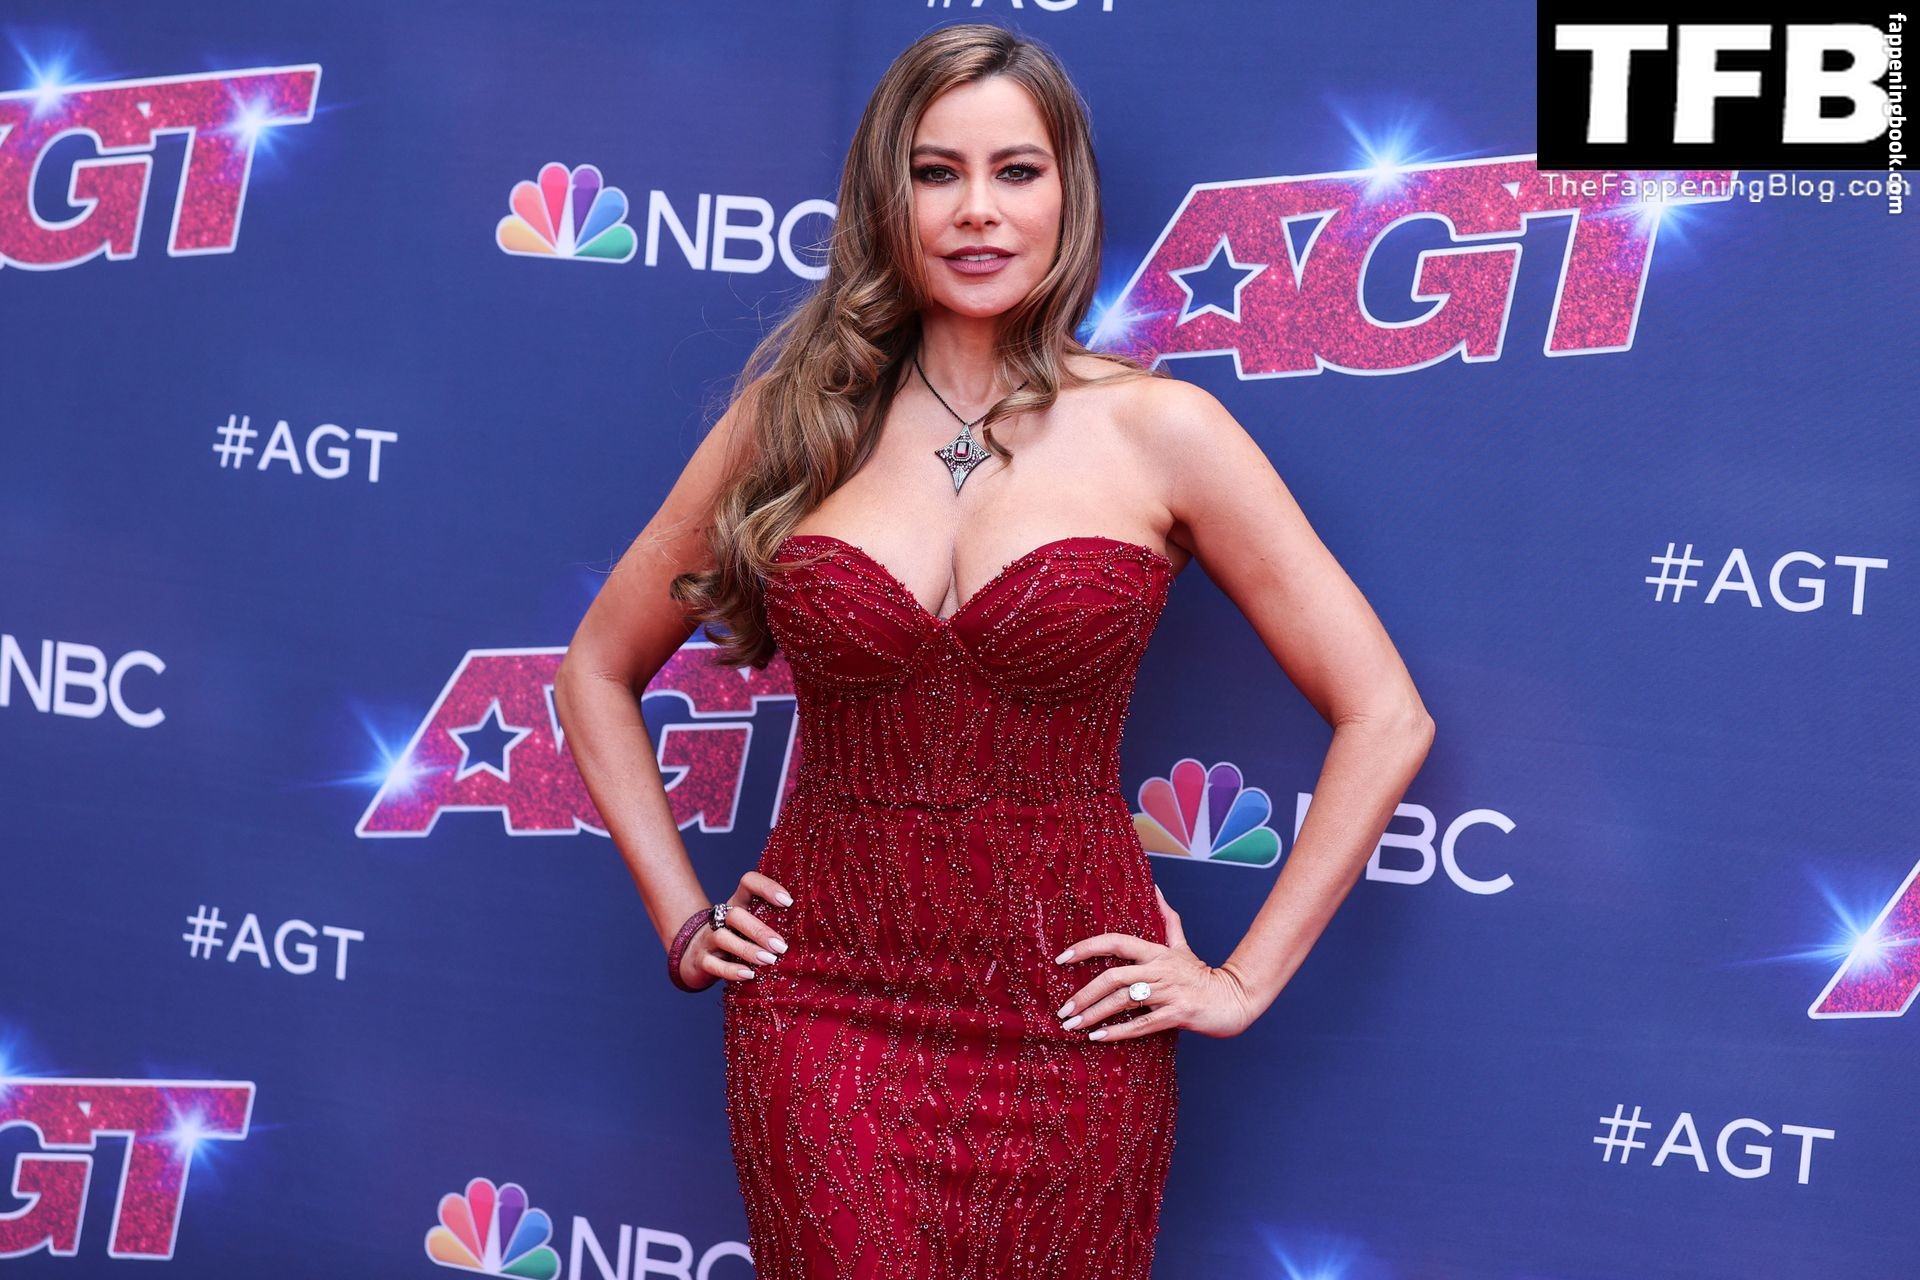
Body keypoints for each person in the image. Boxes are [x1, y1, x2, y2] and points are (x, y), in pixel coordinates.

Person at [555, 22, 1433, 1280]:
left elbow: (1385, 712)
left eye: (1016, 171)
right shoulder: (792, 423)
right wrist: (685, 919)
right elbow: (594, 668)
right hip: (823, 1012)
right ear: (887, 195)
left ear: (1067, 193)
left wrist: (1239, 980)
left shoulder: (1163, 429)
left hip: (1074, 1020)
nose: (978, 209)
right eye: (937, 172)